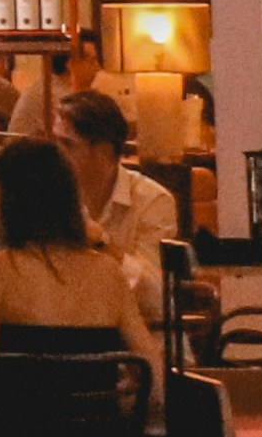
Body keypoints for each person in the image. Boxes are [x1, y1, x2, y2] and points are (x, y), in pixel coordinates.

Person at [0, 139, 160, 369]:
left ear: (7, 202)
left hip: (20, 405)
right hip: (96, 406)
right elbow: (153, 375)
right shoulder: (109, 273)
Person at [53, 94, 185, 292]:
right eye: (55, 142)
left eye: (67, 144)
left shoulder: (153, 201)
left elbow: (156, 295)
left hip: (126, 320)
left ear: (104, 151)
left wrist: (100, 244)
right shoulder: (49, 196)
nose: (56, 153)